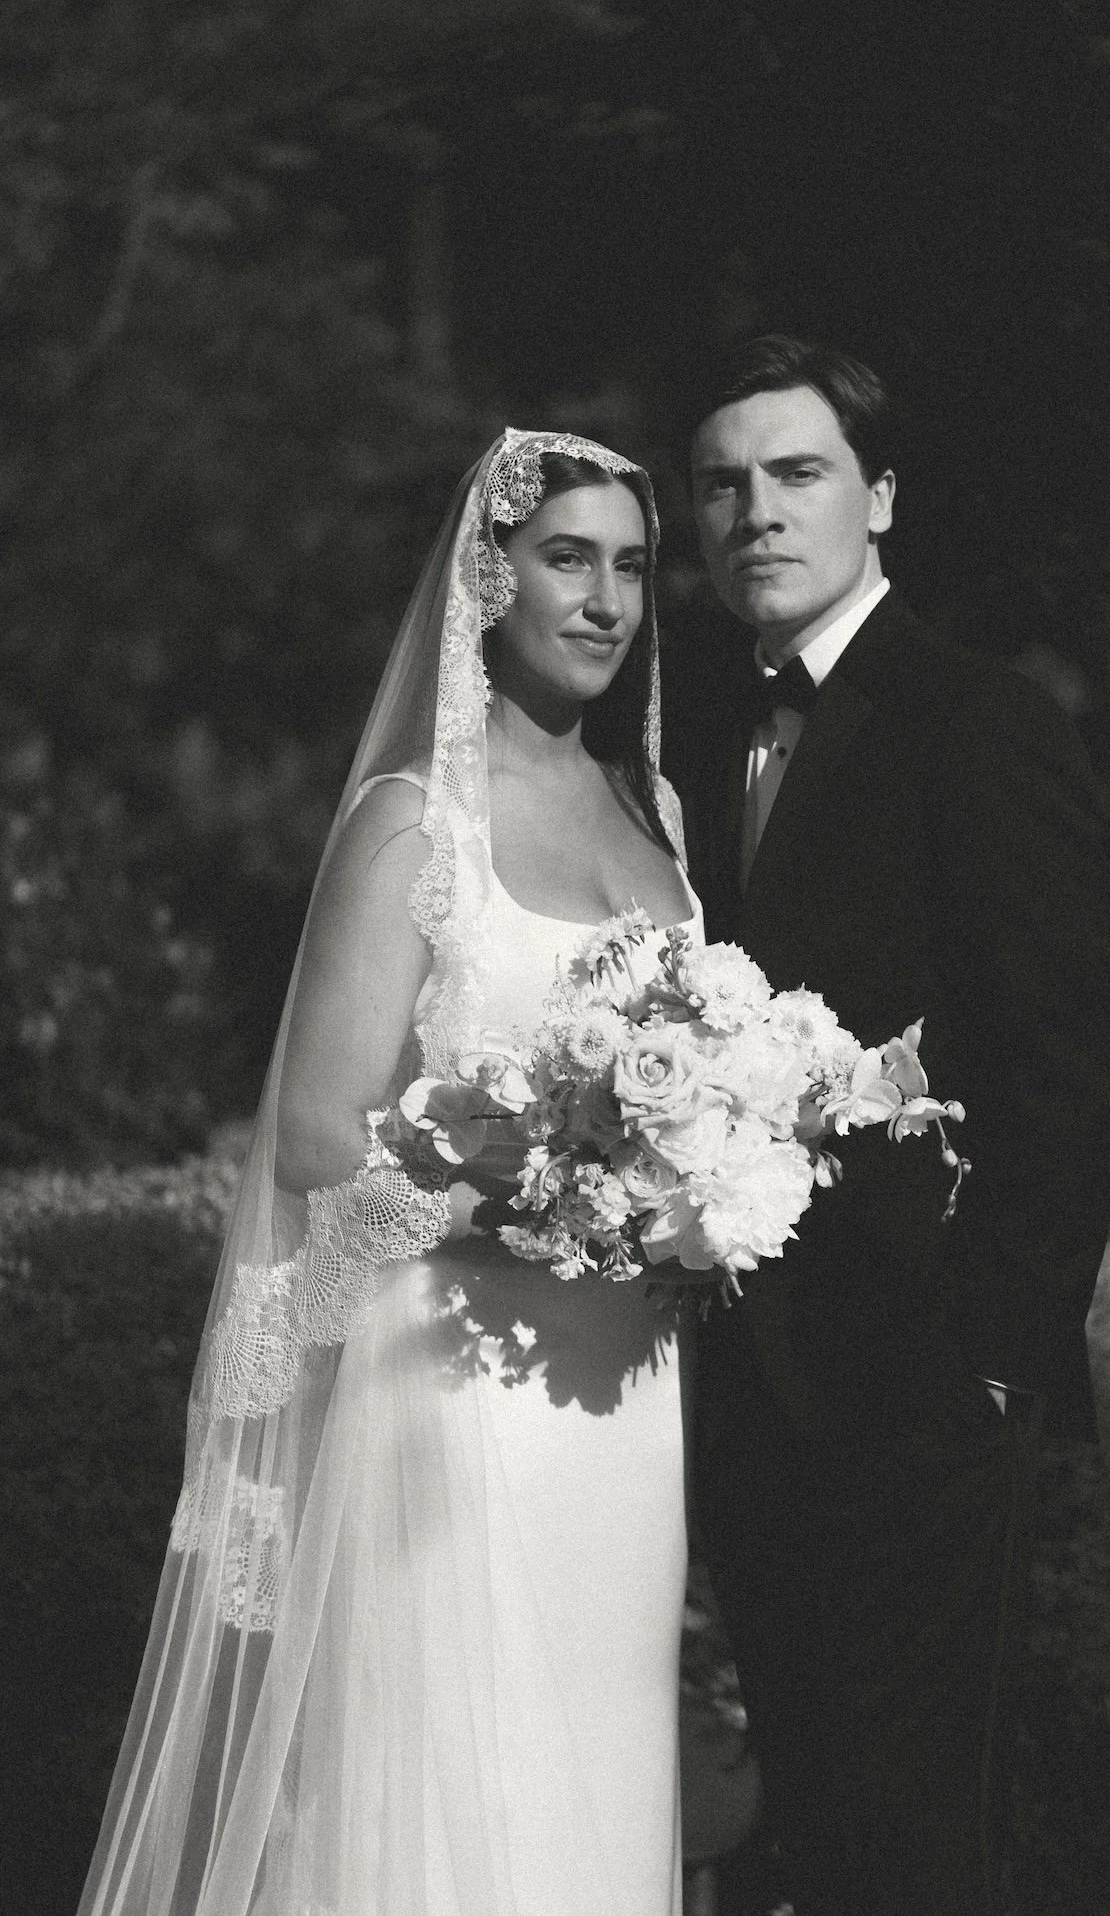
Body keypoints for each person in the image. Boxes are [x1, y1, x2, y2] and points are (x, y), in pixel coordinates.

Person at [79, 431, 697, 1916]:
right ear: (488, 578)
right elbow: (311, 1133)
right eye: (568, 558)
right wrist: (560, 1197)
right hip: (453, 1387)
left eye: (629, 566)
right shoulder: (417, 817)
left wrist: (705, 1175)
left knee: (599, 1771)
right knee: (447, 1776)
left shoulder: (659, 821)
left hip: (626, 1394)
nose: (606, 599)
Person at [664, 336, 1110, 1915]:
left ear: (883, 498)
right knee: (789, 1823)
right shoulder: (675, 730)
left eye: (798, 474)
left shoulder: (979, 720)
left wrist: (988, 1365)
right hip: (735, 1388)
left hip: (920, 1388)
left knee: (914, 1849)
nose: (756, 513)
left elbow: (1065, 1068)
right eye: (723, 483)